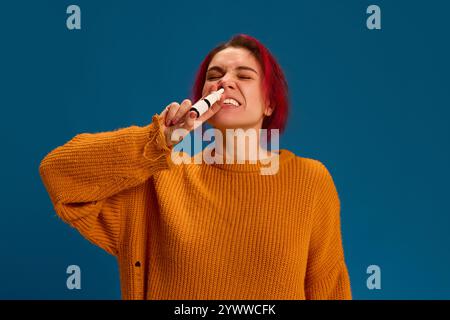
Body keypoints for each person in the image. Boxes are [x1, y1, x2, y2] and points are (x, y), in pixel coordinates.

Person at [39, 34, 352, 300]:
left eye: (243, 76)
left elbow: (330, 289)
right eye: (214, 76)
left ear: (270, 103)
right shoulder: (160, 178)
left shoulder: (310, 181)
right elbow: (58, 173)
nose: (225, 82)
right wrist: (157, 140)